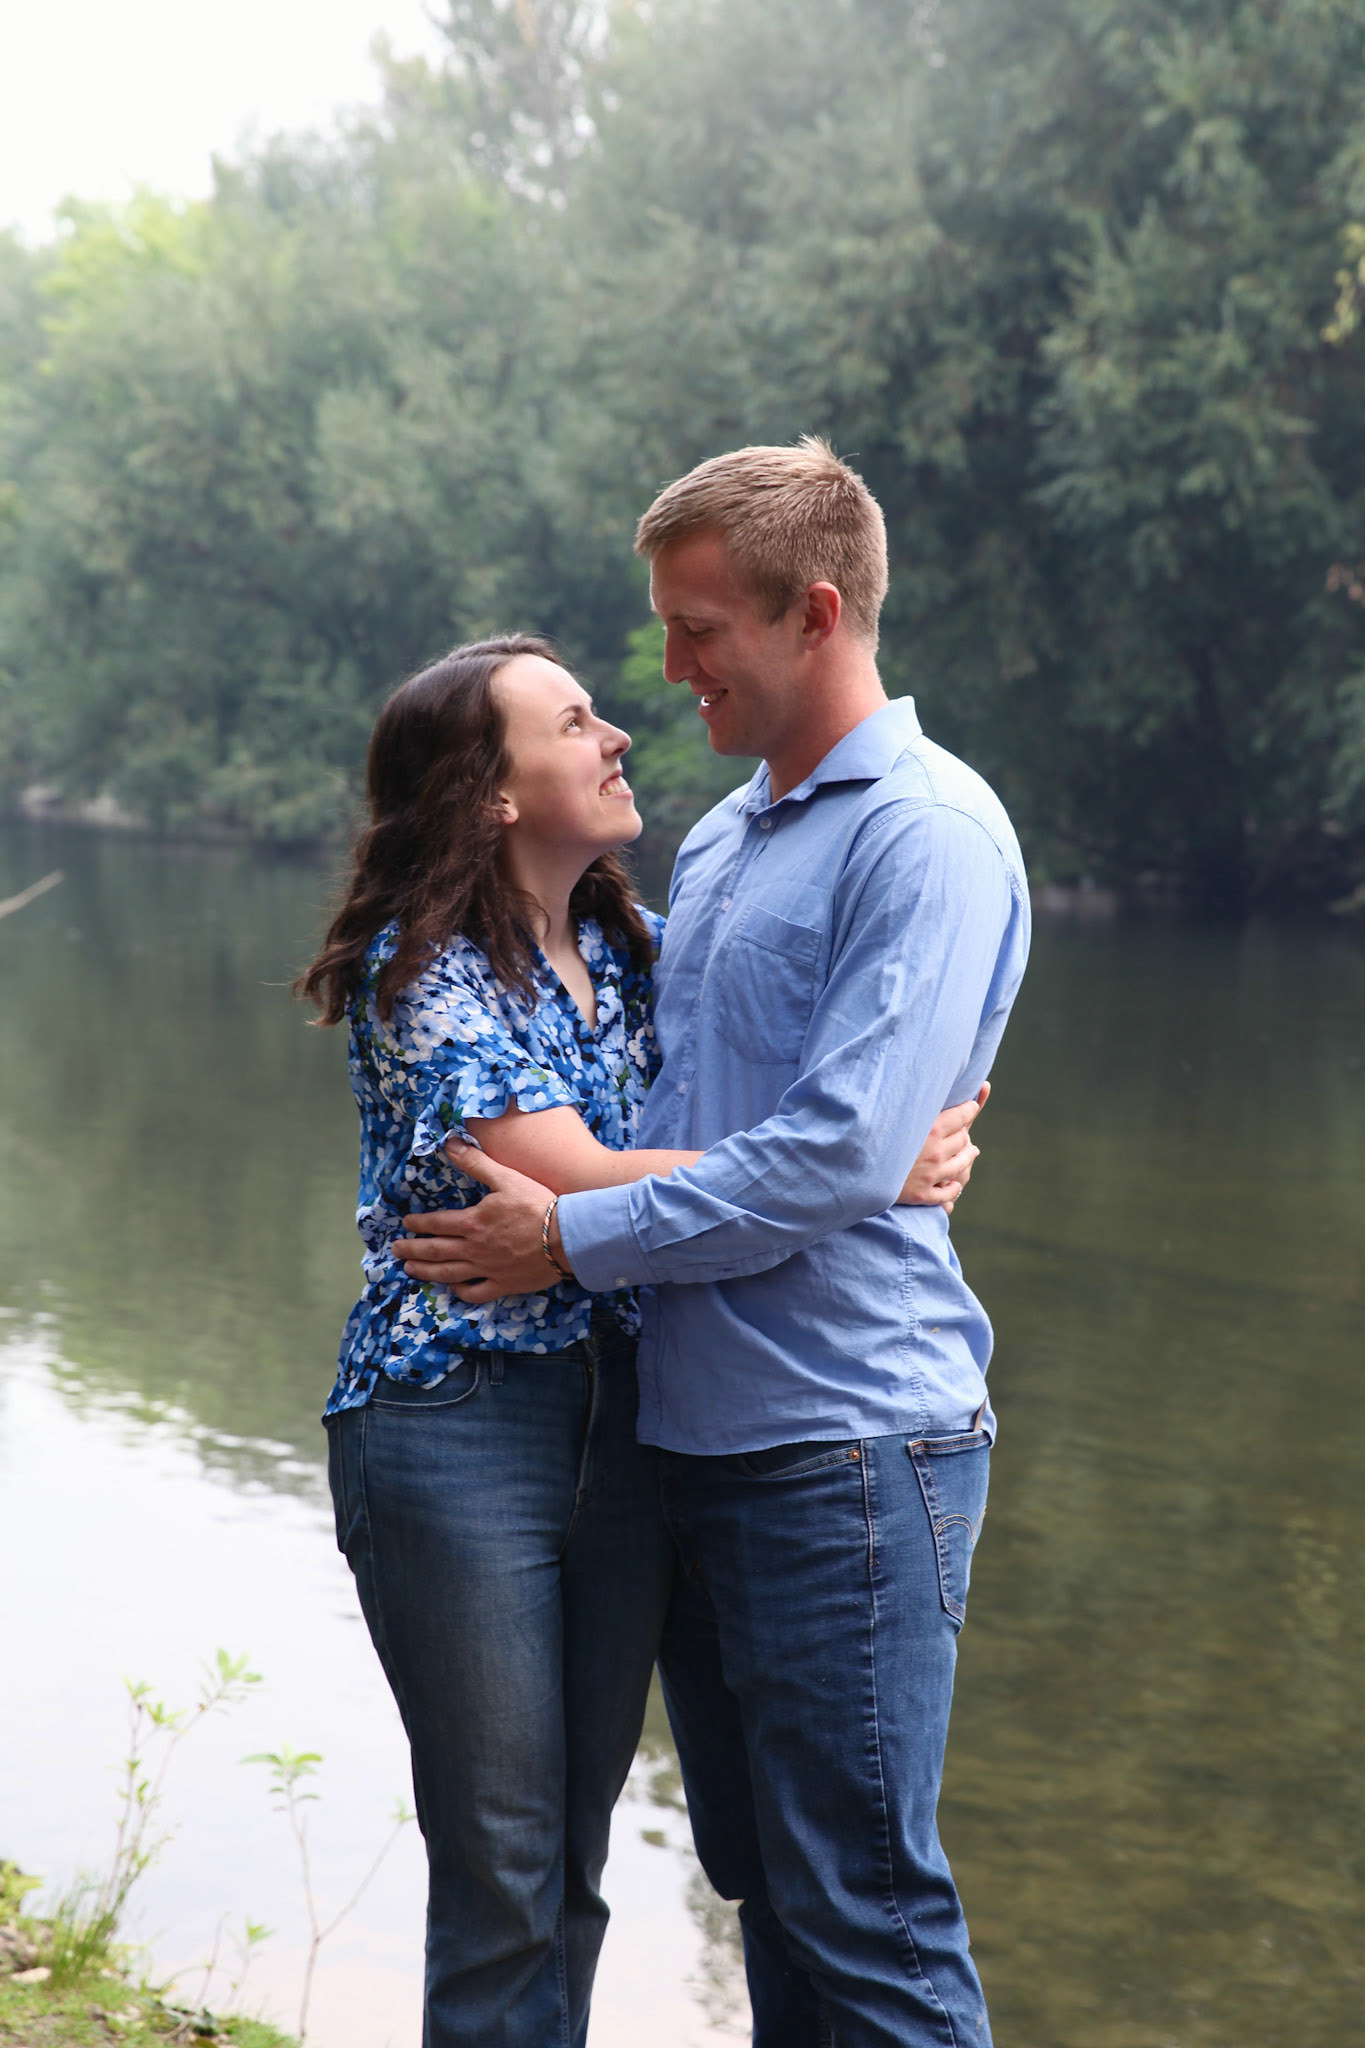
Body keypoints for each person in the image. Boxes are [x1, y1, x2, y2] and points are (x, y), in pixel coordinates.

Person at [396, 439, 1031, 2048]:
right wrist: (881, 1160)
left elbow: (834, 1152)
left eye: (696, 631)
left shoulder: (927, 835)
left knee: (866, 1919)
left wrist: (575, 1237)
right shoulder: (734, 840)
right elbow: (770, 1126)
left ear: (812, 613)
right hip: (692, 1444)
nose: (667, 671)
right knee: (773, 1895)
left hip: (845, 1441)